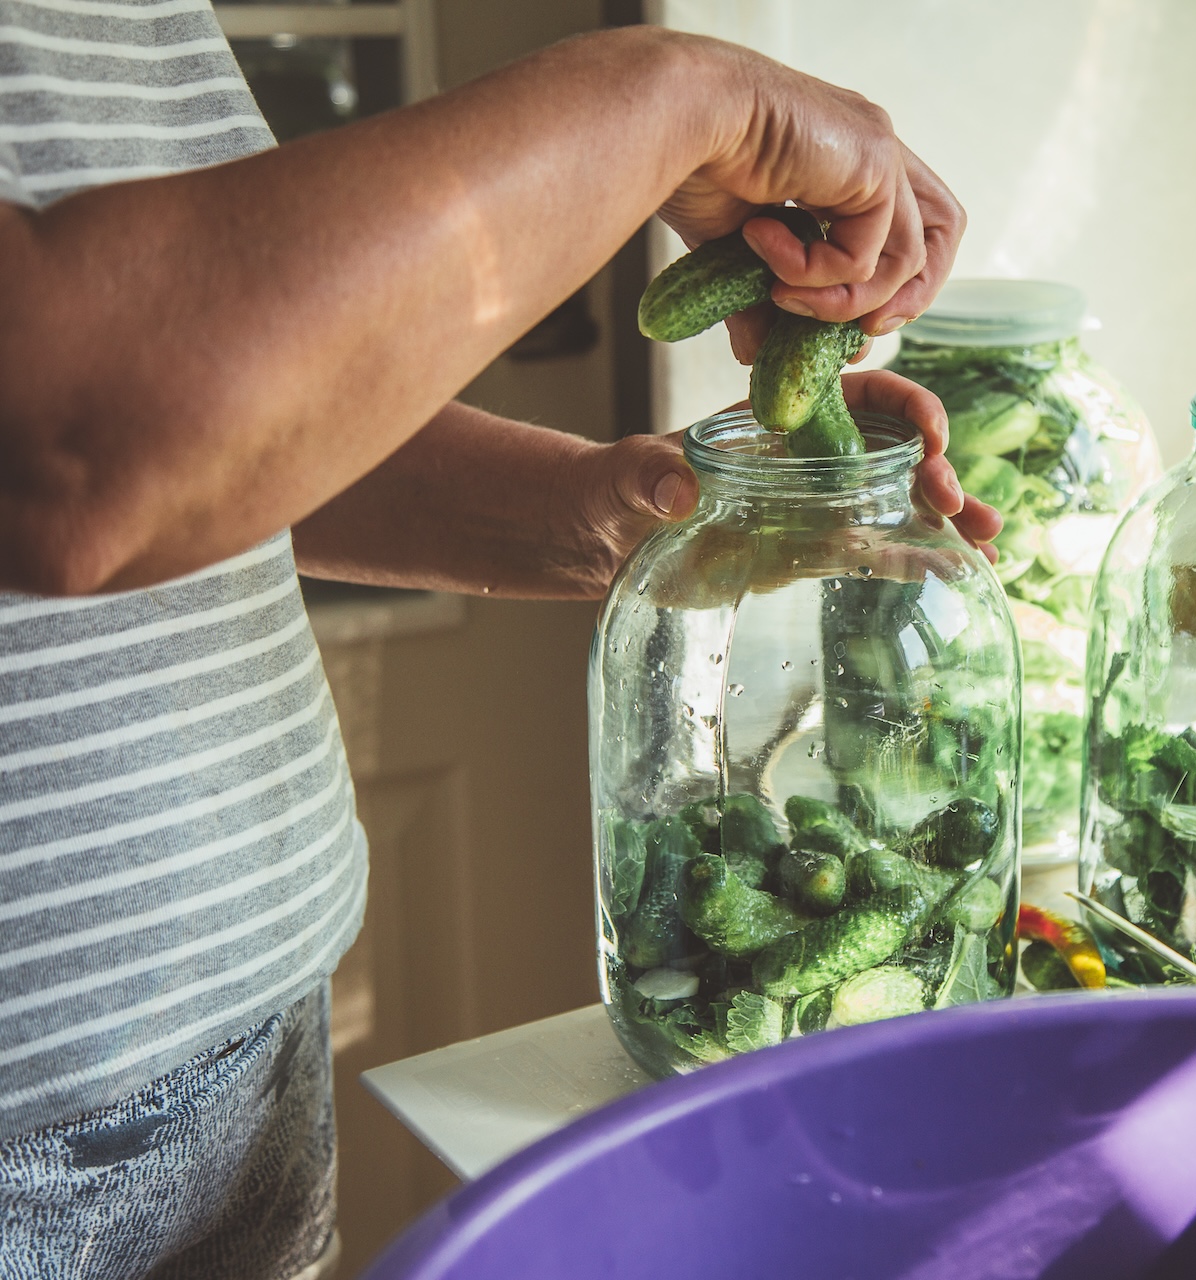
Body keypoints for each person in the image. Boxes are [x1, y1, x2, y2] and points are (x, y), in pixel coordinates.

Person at [0, 3, 996, 1275]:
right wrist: (689, 97)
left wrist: (617, 515)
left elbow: (229, 424)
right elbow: (67, 440)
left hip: (241, 1050)